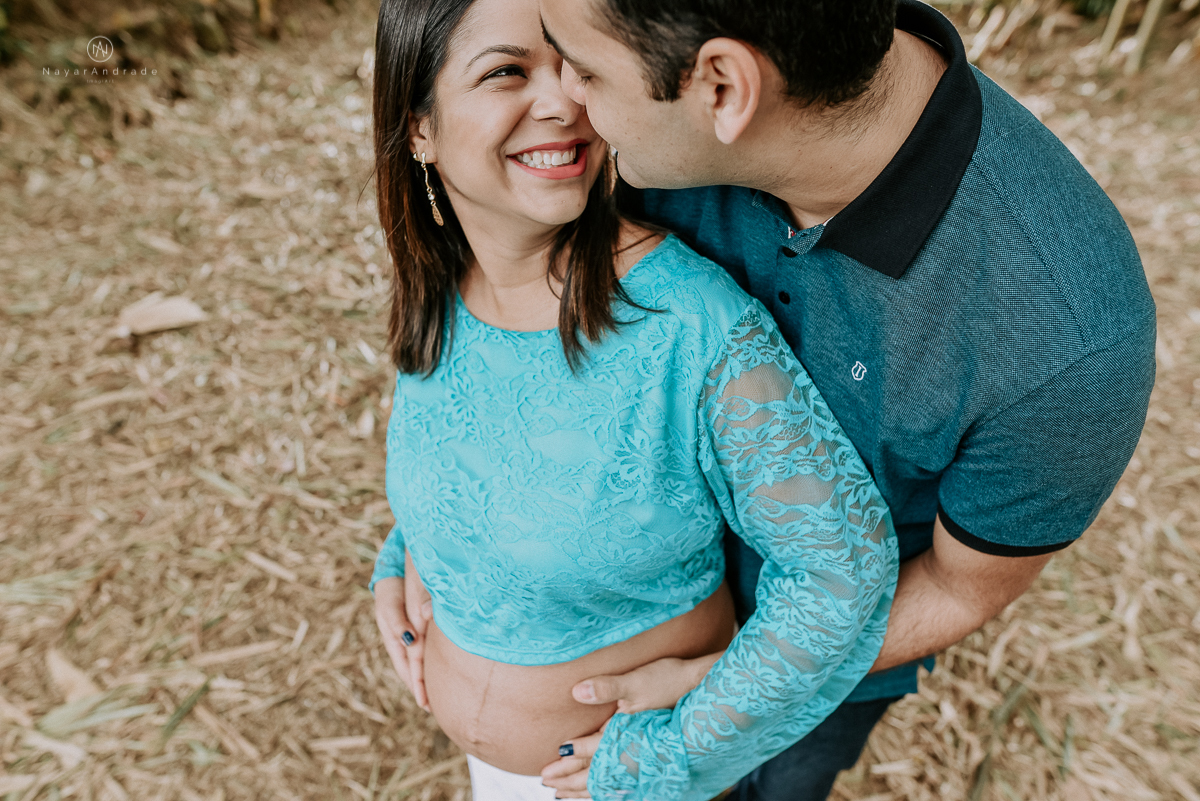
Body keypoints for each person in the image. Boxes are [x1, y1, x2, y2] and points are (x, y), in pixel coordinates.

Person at [533, 0, 1157, 798]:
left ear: (723, 88)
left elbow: (960, 584)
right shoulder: (649, 141)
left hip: (813, 673)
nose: (564, 101)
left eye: (584, 72)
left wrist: (734, 683)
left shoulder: (1071, 342)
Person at [367, 0, 898, 799]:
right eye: (508, 71)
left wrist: (668, 756)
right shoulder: (441, 286)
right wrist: (404, 555)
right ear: (419, 128)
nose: (565, 102)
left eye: (574, 66)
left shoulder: (689, 322)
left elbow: (842, 574)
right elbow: (476, 460)